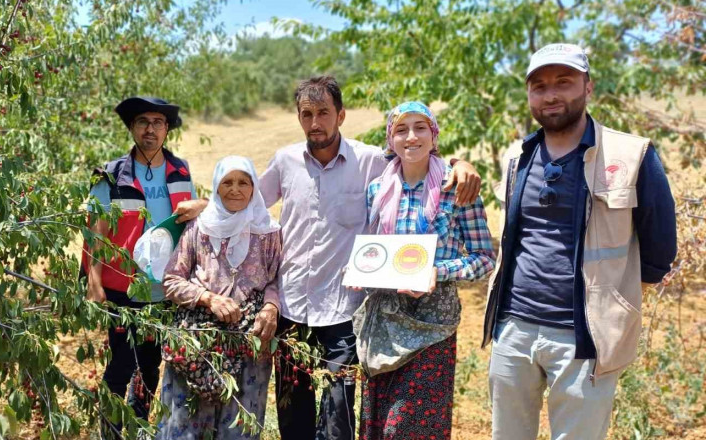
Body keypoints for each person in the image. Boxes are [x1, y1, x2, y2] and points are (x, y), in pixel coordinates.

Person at [258, 75, 483, 440]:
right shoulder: (284, 161)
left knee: (339, 417)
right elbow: (250, 204)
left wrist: (460, 162)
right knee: (291, 413)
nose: (315, 123)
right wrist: (208, 207)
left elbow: (418, 154)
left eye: (324, 113)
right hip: (291, 306)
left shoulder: (371, 163)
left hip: (344, 309)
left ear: (341, 115)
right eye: (306, 114)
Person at [482, 44, 678, 440]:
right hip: (513, 329)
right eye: (539, 86)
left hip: (584, 337)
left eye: (564, 82)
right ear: (529, 95)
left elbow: (660, 247)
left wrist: (615, 304)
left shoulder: (631, 155)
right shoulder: (516, 156)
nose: (550, 94)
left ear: (588, 88)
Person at [355, 101, 495, 440]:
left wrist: (437, 270)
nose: (411, 137)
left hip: (432, 324)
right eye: (401, 130)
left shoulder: (458, 189)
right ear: (390, 140)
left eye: (420, 128)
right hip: (385, 319)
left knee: (408, 428)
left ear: (434, 137)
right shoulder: (377, 189)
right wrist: (365, 271)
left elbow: (484, 259)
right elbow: (376, 251)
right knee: (380, 424)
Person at [82, 96, 208, 436]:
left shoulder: (180, 170)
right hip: (122, 285)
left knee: (151, 365)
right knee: (122, 362)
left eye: (157, 123)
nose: (150, 129)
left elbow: (190, 225)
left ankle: (137, 426)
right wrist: (93, 281)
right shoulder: (111, 174)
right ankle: (111, 430)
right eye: (142, 122)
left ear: (167, 130)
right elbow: (96, 227)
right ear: (132, 128)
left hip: (164, 287)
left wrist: (201, 206)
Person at [158, 156, 282, 440]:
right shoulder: (199, 228)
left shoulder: (268, 231)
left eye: (243, 182)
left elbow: (277, 279)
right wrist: (207, 298)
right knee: (186, 427)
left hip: (249, 342)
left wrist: (271, 307)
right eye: (227, 182)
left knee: (237, 428)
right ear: (216, 187)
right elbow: (171, 280)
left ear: (254, 189)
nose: (235, 189)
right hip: (198, 340)